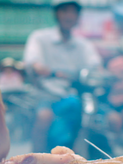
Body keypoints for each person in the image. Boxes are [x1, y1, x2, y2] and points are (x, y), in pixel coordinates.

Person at [23, 0, 102, 152]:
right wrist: (48, 71)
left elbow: (95, 66)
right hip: (46, 95)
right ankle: (35, 161)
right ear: (57, 14)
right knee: (44, 117)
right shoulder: (40, 38)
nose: (69, 16)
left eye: (74, 12)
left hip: (75, 95)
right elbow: (33, 62)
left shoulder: (83, 44)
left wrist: (104, 73)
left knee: (98, 120)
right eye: (65, 11)